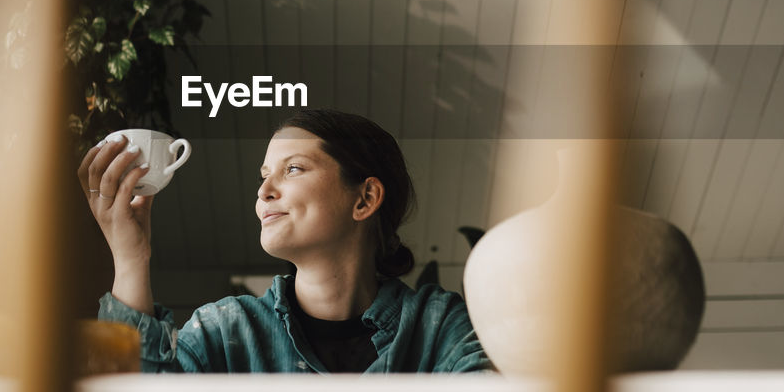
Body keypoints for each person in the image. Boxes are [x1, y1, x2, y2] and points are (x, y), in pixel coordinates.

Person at [78, 108, 494, 373]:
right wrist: (131, 258)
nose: (264, 192)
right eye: (264, 176)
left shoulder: (439, 327)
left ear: (365, 198)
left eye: (292, 169)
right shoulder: (224, 329)